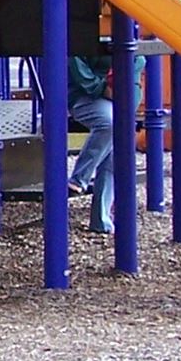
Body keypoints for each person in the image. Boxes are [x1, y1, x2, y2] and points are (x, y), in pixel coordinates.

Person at [66, 42, 114, 237]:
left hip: (112, 96)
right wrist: (102, 88)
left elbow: (136, 66)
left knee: (116, 138)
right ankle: (80, 178)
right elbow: (77, 67)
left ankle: (101, 218)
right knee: (111, 124)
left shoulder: (130, 35)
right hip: (84, 95)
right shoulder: (83, 33)